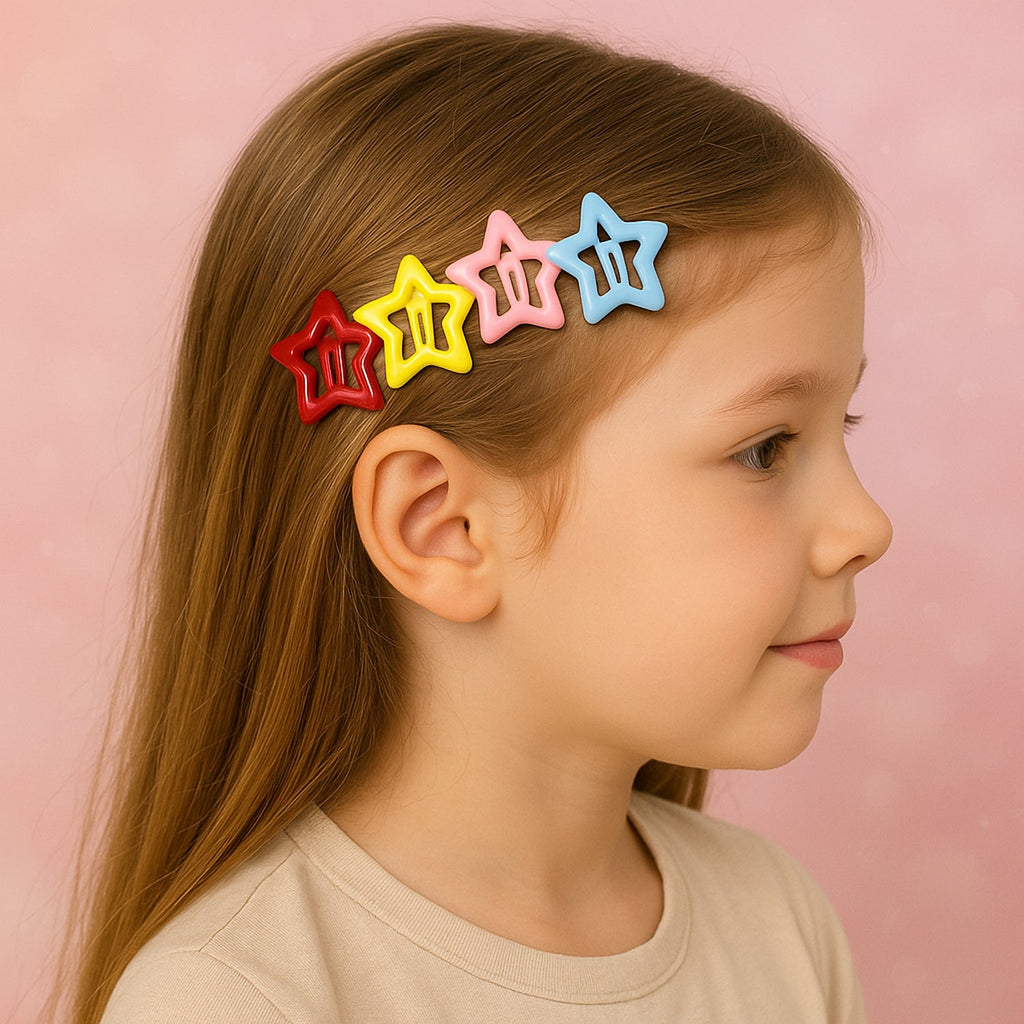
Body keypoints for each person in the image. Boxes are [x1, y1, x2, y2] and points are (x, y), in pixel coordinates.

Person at [62, 23, 893, 1023]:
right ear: (442, 526)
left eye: (841, 425)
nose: (865, 525)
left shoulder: (777, 924)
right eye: (765, 448)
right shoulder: (238, 999)